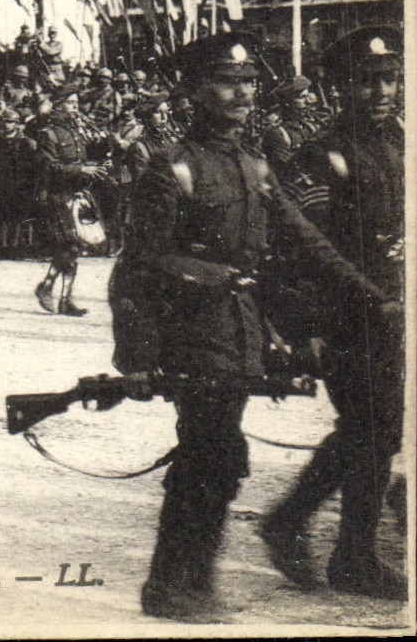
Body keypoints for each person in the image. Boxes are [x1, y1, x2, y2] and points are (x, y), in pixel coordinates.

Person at [107, 32, 395, 622]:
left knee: (221, 455)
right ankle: (170, 585)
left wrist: (373, 296)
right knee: (207, 455)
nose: (239, 94)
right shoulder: (173, 167)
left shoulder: (252, 164)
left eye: (247, 84)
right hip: (193, 330)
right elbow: (137, 268)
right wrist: (136, 357)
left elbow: (308, 243)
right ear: (193, 90)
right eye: (225, 82)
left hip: (240, 332)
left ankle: (192, 582)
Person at [260, 27, 405, 599]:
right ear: (338, 88)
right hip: (346, 315)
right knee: (375, 427)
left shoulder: (395, 142)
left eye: (390, 78)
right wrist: (310, 327)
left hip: (390, 310)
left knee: (375, 431)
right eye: (367, 82)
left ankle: (308, 531)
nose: (382, 91)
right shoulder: (323, 157)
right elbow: (301, 249)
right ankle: (344, 552)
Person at [31, 81, 99, 316]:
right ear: (58, 106)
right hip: (56, 197)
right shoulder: (47, 134)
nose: (74, 108)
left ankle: (58, 294)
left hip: (75, 194)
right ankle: (54, 292)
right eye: (70, 103)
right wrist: (80, 170)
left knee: (73, 247)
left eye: (76, 103)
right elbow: (48, 167)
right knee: (70, 244)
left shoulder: (76, 131)